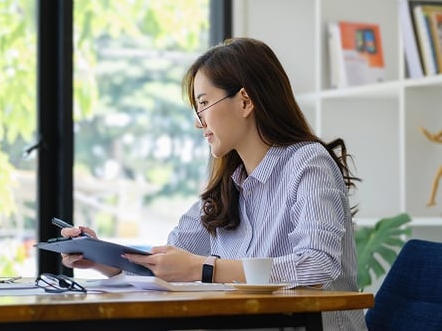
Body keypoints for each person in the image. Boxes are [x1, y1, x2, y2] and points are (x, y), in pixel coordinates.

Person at [60, 37, 367, 330]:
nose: (198, 121)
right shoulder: (229, 184)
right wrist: (101, 257)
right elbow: (170, 260)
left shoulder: (308, 163)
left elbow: (317, 266)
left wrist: (204, 269)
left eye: (204, 103)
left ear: (245, 101)